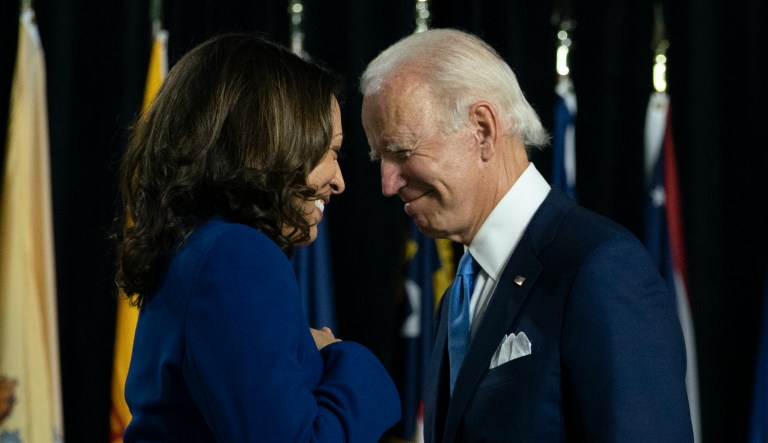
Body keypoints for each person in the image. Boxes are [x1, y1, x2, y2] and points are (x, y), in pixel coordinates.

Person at [360, 28, 692, 442]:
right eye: (380, 158)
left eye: (402, 152)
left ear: (482, 129)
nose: (387, 184)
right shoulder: (457, 297)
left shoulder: (599, 268)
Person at [113, 33, 400, 442]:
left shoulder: (197, 247)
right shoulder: (235, 257)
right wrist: (343, 358)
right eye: (330, 151)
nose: (339, 181)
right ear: (270, 142)